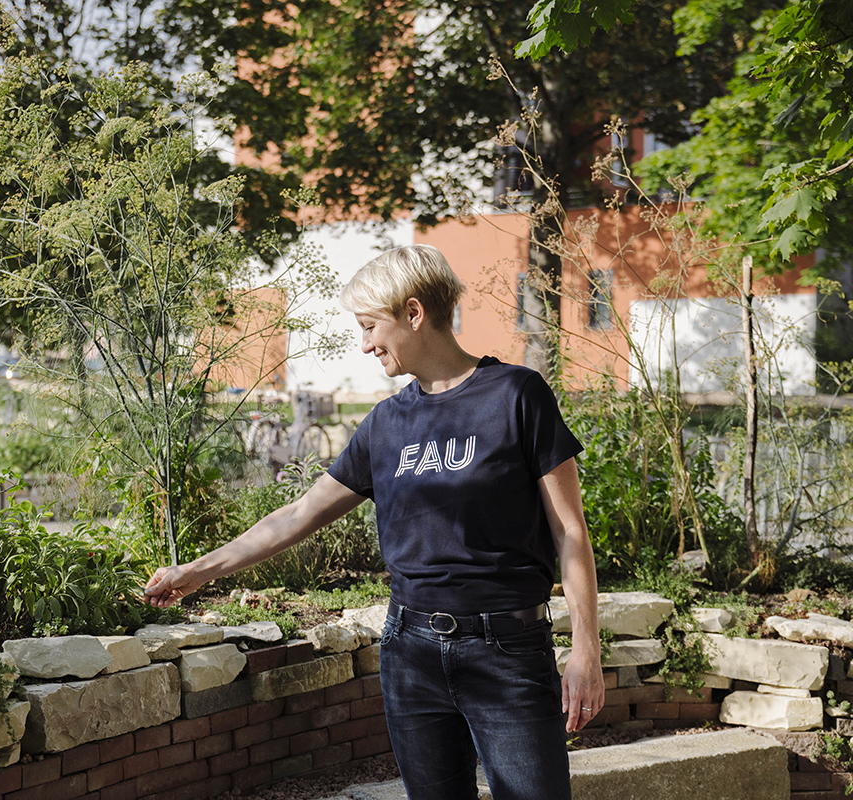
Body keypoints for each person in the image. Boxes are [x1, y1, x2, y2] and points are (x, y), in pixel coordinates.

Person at [144, 244, 604, 800]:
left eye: (369, 326)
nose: (364, 345)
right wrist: (198, 570)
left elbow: (569, 532)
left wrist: (586, 650)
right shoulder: (386, 423)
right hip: (410, 655)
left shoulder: (515, 396)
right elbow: (299, 514)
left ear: (414, 313)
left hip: (507, 651)